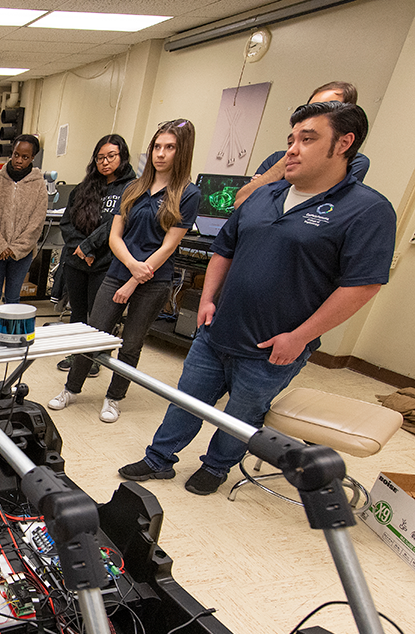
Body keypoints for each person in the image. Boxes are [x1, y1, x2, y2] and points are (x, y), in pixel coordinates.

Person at [120, 101, 394, 495]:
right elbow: (224, 250)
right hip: (217, 330)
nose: (292, 150)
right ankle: (159, 458)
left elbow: (362, 286)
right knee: (186, 399)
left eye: (308, 139)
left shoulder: (367, 210)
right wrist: (208, 299)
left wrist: (300, 337)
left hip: (273, 346)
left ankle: (215, 467)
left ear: (344, 144)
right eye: (291, 139)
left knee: (242, 414)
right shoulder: (264, 197)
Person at [48, 119, 200, 424]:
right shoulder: (134, 187)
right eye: (157, 147)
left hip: (153, 280)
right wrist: (131, 266)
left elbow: (169, 246)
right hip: (120, 271)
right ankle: (71, 389)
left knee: (131, 343)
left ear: (181, 152)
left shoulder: (188, 193)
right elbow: (115, 235)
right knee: (93, 334)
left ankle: (114, 397)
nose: (160, 154)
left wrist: (134, 280)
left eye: (169, 148)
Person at [56, 134, 136, 376]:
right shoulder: (84, 188)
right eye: (100, 157)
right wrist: (81, 249)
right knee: (78, 312)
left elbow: (116, 224)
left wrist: (90, 248)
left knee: (100, 315)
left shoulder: (132, 189)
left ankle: (97, 356)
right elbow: (66, 223)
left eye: (111, 156)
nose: (105, 162)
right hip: (76, 261)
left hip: (106, 263)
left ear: (122, 157)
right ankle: (76, 354)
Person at [234, 81, 369, 208]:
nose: (313, 114)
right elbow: (243, 203)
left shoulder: (356, 162)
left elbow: (315, 200)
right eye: (310, 108)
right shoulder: (277, 158)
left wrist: (267, 182)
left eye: (326, 108)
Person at [0, 134, 47, 332]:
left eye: (25, 157)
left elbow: (37, 221)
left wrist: (16, 248)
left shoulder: (38, 185)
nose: (19, 160)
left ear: (33, 158)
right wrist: (0, 245)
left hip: (22, 254)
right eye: (16, 155)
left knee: (13, 297)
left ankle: (9, 335)